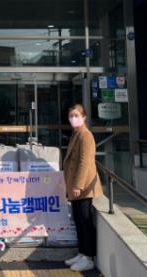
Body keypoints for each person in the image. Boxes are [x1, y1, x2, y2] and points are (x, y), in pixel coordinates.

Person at [63, 103, 103, 272]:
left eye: (76, 115)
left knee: (85, 221)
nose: (73, 118)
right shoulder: (76, 134)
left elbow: (84, 163)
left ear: (84, 117)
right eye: (71, 116)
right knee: (78, 220)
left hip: (84, 187)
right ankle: (82, 253)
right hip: (75, 186)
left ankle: (88, 257)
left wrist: (78, 185)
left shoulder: (85, 135)